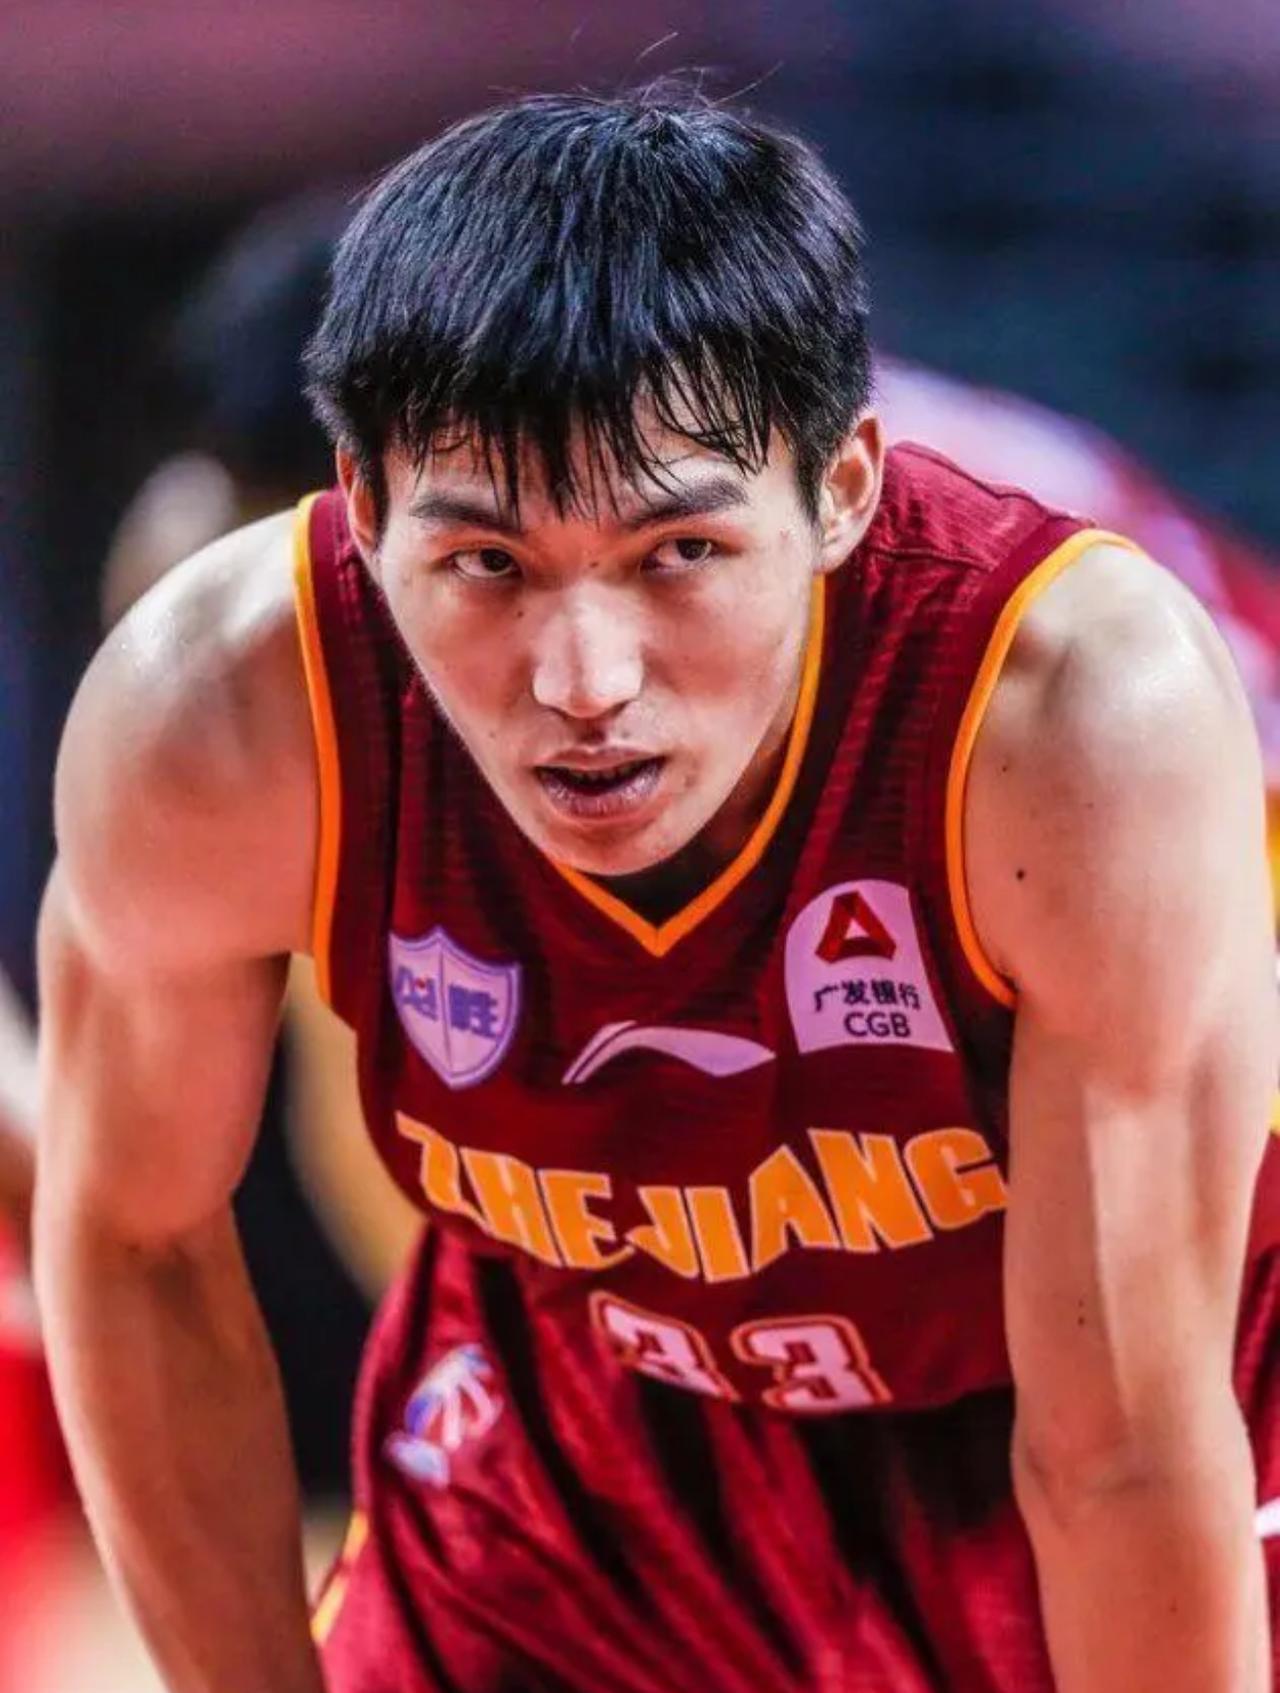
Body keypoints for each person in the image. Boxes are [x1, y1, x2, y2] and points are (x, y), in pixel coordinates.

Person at [35, 87, 1280, 1693]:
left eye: (676, 556)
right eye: (485, 563)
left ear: (843, 490)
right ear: (363, 502)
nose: (585, 680)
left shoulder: (1074, 705)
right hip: (629, 1380)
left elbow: (1119, 1449)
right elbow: (134, 1238)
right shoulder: (221, 690)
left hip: (1164, 1304)